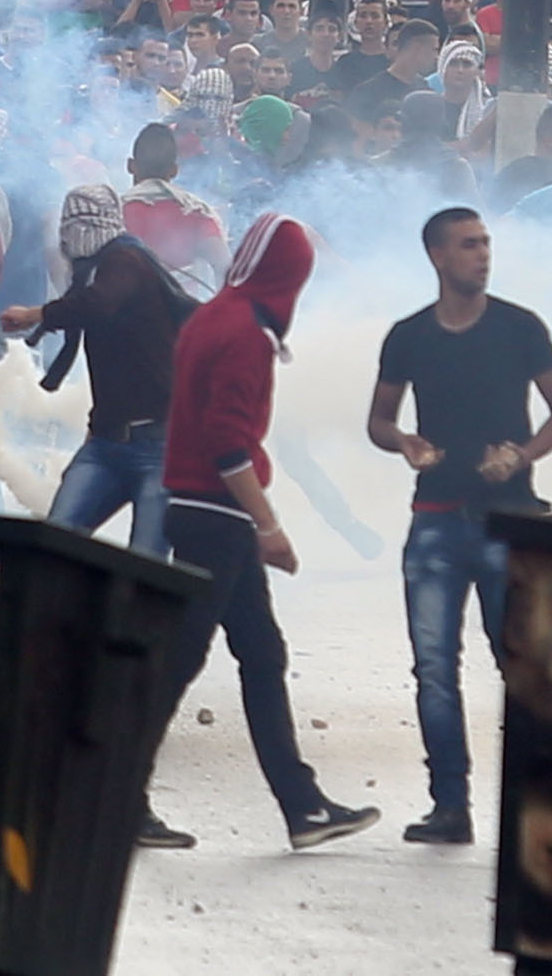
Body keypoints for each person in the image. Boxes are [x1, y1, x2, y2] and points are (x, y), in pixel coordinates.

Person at [148, 213, 377, 852]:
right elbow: (227, 444)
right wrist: (268, 526)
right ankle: (120, 796)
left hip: (201, 511)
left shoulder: (213, 315)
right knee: (180, 661)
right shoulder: (245, 333)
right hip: (216, 515)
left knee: (262, 654)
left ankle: (303, 806)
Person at [367, 205, 552, 845]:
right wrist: (405, 442)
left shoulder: (520, 328)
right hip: (434, 521)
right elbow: (378, 420)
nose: (482, 255)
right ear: (437, 256)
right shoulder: (408, 336)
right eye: (468, 245)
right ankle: (450, 805)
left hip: (509, 522)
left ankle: (538, 808)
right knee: (434, 670)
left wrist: (522, 455)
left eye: (485, 244)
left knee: (522, 668)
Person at [0, 183, 193, 555]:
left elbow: (97, 304)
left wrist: (35, 314)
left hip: (160, 446)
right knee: (55, 542)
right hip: (106, 442)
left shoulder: (125, 261)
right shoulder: (93, 272)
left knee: (146, 565)